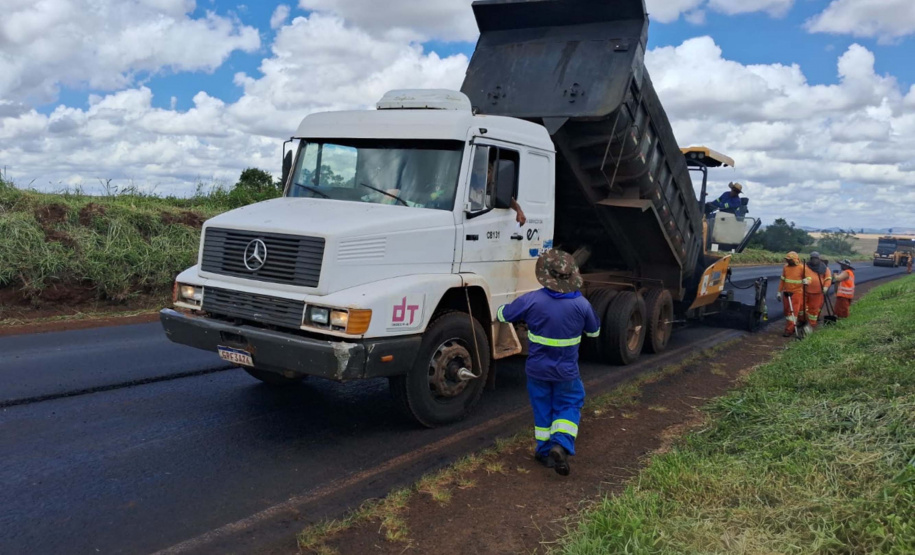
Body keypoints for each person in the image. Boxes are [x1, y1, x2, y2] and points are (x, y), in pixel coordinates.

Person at [496, 250, 600, 476]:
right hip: (566, 372)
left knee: (542, 410)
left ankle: (543, 452)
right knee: (570, 404)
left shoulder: (532, 299)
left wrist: (499, 308)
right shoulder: (582, 304)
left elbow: (504, 315)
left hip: (537, 370)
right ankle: (560, 444)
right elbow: (594, 332)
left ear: (546, 276)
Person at [776, 251, 809, 337]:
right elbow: (782, 280)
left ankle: (789, 330)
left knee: (792, 313)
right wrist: (779, 292)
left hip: (796, 293)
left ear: (795, 260)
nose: (788, 261)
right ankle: (797, 323)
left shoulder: (802, 267)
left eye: (789, 260)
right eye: (787, 260)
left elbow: (808, 278)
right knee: (787, 312)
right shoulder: (785, 268)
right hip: (786, 293)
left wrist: (807, 281)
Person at [803, 252, 832, 329]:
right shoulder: (805, 267)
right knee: (803, 308)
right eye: (813, 258)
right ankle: (804, 321)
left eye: (816, 258)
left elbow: (828, 278)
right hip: (805, 291)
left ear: (819, 259)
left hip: (817, 293)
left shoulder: (824, 268)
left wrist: (826, 287)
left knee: (814, 309)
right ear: (810, 259)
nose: (814, 260)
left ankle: (812, 324)